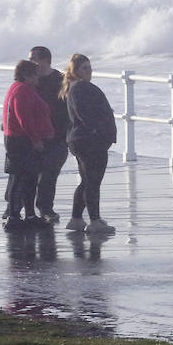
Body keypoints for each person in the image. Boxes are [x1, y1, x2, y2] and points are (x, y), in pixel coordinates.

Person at [60, 54, 118, 236]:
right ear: (75, 71)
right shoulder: (81, 88)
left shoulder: (74, 88)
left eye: (90, 67)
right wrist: (98, 131)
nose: (89, 71)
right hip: (89, 141)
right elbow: (84, 114)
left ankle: (77, 218)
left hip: (80, 139)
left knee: (87, 180)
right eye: (84, 68)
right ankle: (94, 220)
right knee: (93, 181)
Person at [1, 58, 54, 230]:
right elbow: (24, 118)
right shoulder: (22, 90)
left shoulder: (22, 89)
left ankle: (29, 215)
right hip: (21, 141)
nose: (38, 80)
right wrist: (36, 139)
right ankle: (14, 216)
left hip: (20, 139)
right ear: (26, 76)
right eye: (35, 76)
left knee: (29, 178)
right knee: (20, 178)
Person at [29, 46, 70, 223]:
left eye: (33, 59)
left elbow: (71, 105)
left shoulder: (60, 80)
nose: (30, 63)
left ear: (45, 60)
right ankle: (18, 211)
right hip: (34, 135)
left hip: (57, 135)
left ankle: (46, 209)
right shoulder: (30, 80)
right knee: (29, 174)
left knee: (49, 174)